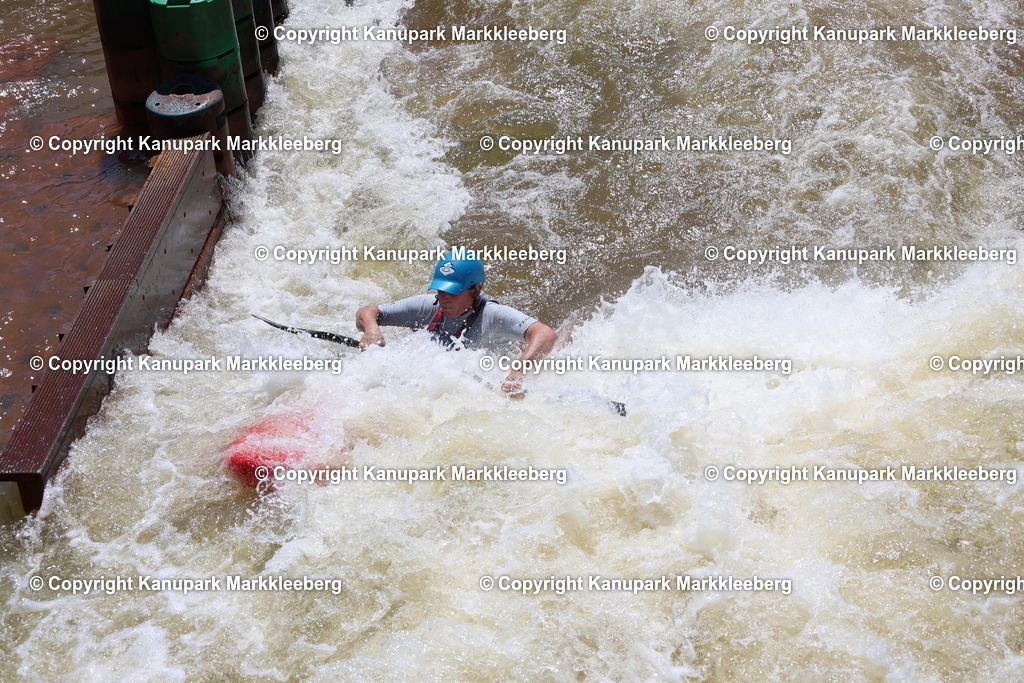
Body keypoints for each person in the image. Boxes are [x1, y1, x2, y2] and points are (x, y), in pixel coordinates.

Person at [356, 252, 558, 396]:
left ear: (476, 290)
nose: (444, 298)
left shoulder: (494, 314)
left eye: (453, 292)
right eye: (440, 290)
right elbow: (367, 312)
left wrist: (516, 372)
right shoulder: (426, 305)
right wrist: (371, 330)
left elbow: (546, 334)